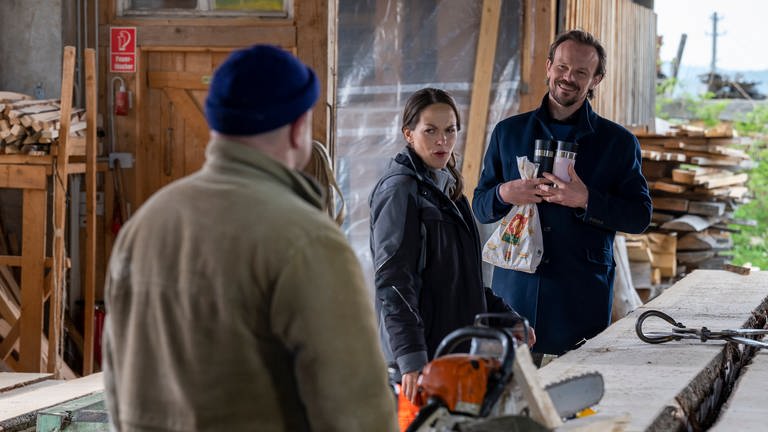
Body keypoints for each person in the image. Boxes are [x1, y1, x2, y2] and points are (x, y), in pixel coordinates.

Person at [102, 45, 397, 432]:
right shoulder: (307, 240)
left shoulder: (147, 223)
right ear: (297, 128)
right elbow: (358, 414)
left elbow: (115, 378)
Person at [473, 30, 652, 357]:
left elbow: (640, 217)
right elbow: (481, 208)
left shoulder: (619, 143)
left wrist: (586, 200)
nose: (568, 78)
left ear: (596, 79)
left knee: (575, 397)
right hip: (514, 293)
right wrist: (505, 192)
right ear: (548, 66)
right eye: (562, 67)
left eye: (581, 72)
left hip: (580, 297)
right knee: (509, 392)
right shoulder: (508, 133)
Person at [369, 88, 534, 413]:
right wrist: (411, 358)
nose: (441, 140)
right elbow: (393, 283)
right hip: (422, 361)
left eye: (450, 130)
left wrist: (506, 318)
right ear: (408, 134)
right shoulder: (401, 191)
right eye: (430, 130)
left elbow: (461, 278)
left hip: (454, 353)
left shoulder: (449, 188)